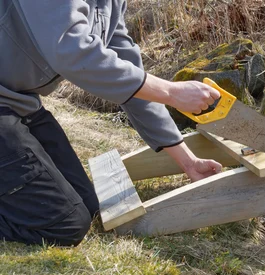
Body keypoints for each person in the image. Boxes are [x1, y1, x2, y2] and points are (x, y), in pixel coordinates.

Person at [0, 1, 223, 246]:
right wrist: (171, 92)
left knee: (88, 205)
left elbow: (129, 70)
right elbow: (71, 51)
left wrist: (188, 161)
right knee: (64, 225)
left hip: (19, 104)